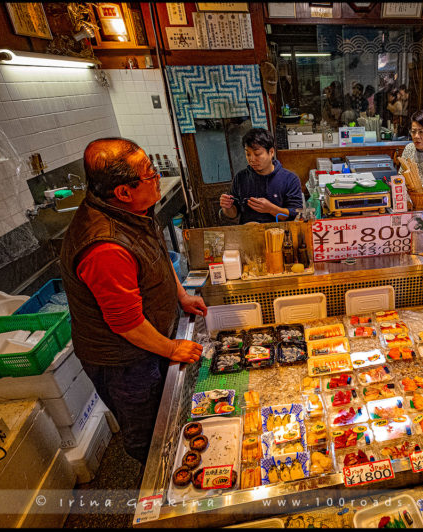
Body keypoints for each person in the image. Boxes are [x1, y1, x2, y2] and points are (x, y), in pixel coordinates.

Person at [60, 138, 207, 465]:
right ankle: (157, 489)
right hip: (125, 360)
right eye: (150, 174)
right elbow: (124, 322)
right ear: (123, 192)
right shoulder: (105, 246)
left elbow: (154, 250)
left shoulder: (131, 211)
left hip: (148, 338)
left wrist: (180, 294)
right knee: (150, 431)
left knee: (168, 414)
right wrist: (170, 348)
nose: (157, 179)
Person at [219, 128, 304, 224]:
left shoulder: (290, 179)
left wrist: (271, 209)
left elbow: (295, 214)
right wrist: (227, 207)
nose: (251, 159)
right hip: (248, 232)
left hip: (280, 233)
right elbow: (233, 214)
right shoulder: (240, 178)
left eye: (257, 154)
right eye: (248, 154)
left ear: (271, 152)